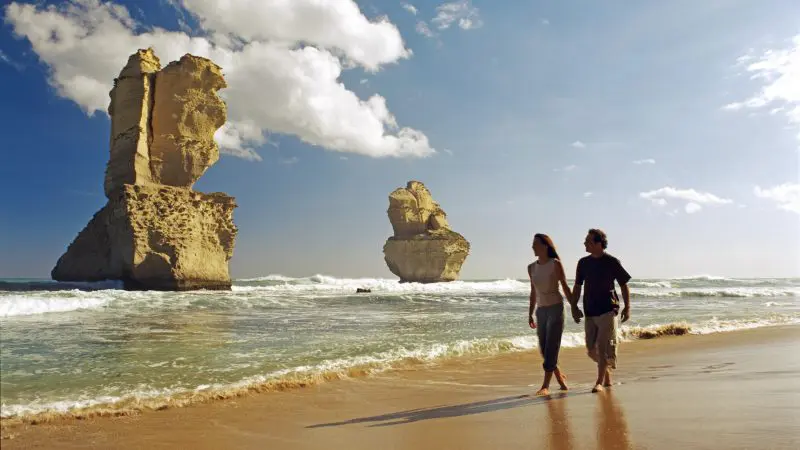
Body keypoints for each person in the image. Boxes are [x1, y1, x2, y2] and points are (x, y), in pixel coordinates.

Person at [568, 228, 632, 393]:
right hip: (590, 309)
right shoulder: (583, 263)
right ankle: (607, 371)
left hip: (608, 309)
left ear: (598, 243)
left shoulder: (611, 261)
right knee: (590, 349)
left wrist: (627, 307)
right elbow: (577, 286)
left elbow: (623, 284)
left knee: (602, 347)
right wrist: (574, 306)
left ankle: (599, 382)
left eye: (588, 241)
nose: (585, 243)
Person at [528, 233, 573, 396]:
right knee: (544, 350)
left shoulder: (555, 264)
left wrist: (574, 307)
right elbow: (533, 292)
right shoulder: (531, 267)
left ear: (545, 246)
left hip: (556, 308)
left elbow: (565, 287)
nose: (532, 247)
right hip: (541, 311)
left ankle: (546, 386)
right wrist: (530, 313)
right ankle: (560, 380)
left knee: (551, 348)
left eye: (535, 244)